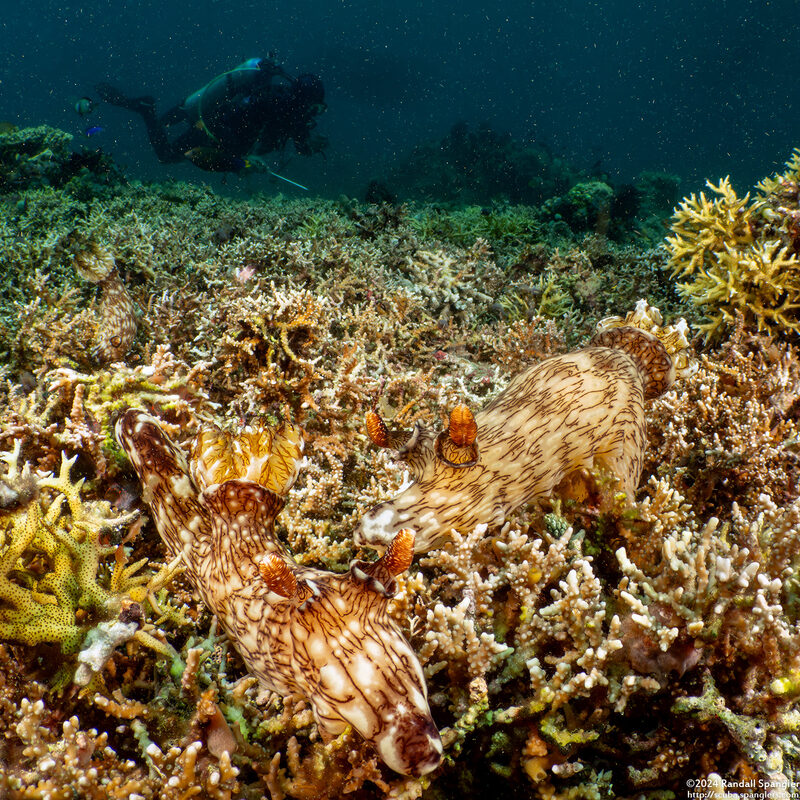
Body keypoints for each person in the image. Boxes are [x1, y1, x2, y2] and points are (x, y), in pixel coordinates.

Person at [96, 57, 327, 172]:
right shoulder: (284, 108)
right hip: (212, 127)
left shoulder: (278, 97)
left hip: (215, 123)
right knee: (167, 156)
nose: (313, 113)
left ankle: (155, 113)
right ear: (305, 100)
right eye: (315, 107)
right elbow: (297, 143)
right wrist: (243, 164)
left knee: (171, 150)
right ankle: (147, 110)